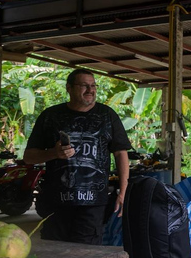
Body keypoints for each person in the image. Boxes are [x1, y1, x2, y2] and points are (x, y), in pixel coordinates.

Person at [24, 69, 131, 245]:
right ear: (69, 88)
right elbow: (28, 157)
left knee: (87, 254)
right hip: (56, 203)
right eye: (84, 85)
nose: (90, 90)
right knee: (55, 254)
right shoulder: (50, 116)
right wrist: (53, 153)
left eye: (93, 85)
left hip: (93, 203)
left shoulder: (107, 115)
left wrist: (123, 192)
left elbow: (121, 153)